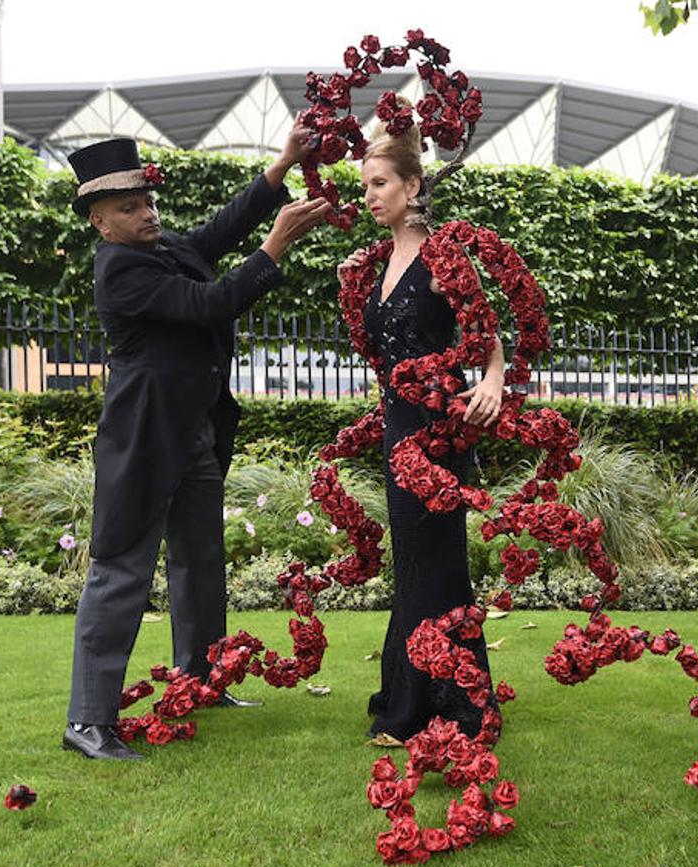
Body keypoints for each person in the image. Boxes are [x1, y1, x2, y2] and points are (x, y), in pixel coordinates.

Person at [63, 129, 330, 761]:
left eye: (146, 199)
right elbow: (213, 303)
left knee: (202, 563)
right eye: (129, 207)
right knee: (121, 570)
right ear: (101, 223)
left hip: (196, 436)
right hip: (144, 442)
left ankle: (201, 679)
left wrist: (284, 164)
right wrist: (276, 246)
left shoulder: (161, 248)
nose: (146, 212)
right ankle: (88, 722)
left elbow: (217, 232)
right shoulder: (120, 268)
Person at [336, 116, 506, 746]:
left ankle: (433, 706)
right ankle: (424, 691)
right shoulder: (381, 259)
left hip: (435, 430)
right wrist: (348, 288)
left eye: (380, 184)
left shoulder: (442, 256)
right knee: (415, 556)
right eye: (366, 187)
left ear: (412, 187)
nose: (370, 197)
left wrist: (490, 381)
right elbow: (383, 353)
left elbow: (485, 334)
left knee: (433, 555)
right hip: (397, 423)